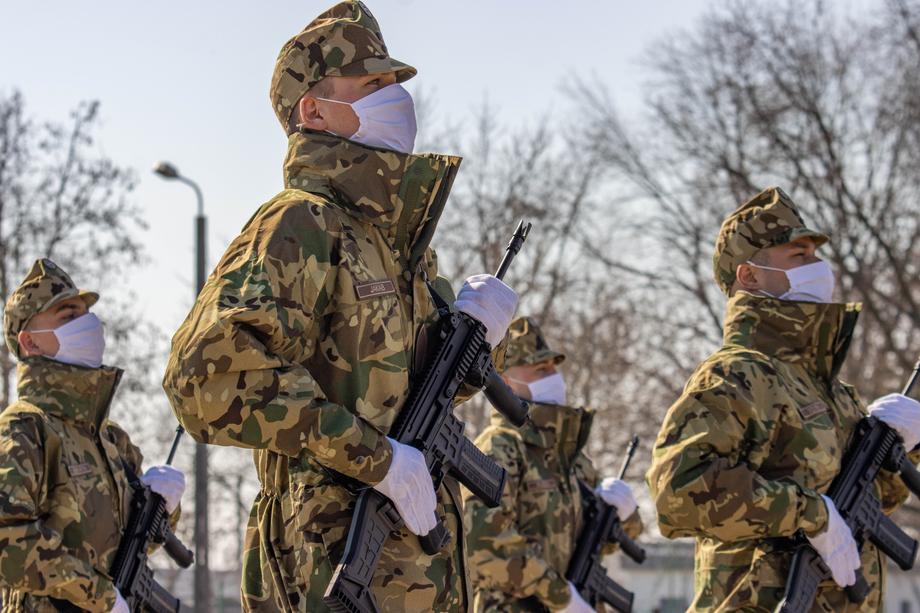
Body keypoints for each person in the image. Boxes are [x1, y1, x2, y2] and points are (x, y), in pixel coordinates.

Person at [160, 2, 518, 610]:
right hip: (329, 559)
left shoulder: (392, 243)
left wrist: (476, 339)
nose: (396, 97)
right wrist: (374, 460)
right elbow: (204, 380)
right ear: (315, 109)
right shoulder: (300, 222)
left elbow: (401, 392)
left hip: (419, 571)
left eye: (394, 84)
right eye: (372, 83)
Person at [647, 187, 920, 611]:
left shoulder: (829, 390)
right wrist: (811, 514)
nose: (818, 266)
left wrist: (903, 450)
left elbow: (868, 506)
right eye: (799, 255)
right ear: (750, 275)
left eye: (815, 254)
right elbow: (677, 492)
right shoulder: (735, 375)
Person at [0, 258, 185, 613]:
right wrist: (97, 594)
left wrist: (166, 509)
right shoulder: (24, 429)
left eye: (85, 316)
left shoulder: (111, 439)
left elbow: (129, 545)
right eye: (68, 318)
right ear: (30, 342)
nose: (87, 326)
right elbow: (7, 544)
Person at [465, 316, 642, 612]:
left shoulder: (570, 458)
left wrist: (627, 515)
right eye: (540, 370)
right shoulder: (500, 448)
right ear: (507, 381)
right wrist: (561, 597)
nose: (553, 377)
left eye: (552, 368)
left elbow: (608, 542)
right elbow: (482, 543)